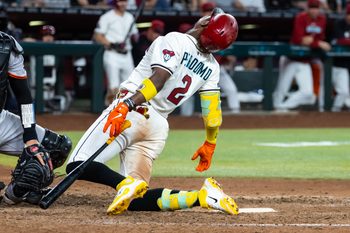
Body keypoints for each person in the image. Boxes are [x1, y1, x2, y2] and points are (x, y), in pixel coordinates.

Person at [66, 8, 238, 215]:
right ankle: (201, 196)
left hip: (133, 111)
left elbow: (158, 80)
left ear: (203, 24)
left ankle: (124, 184)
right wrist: (210, 142)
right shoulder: (212, 67)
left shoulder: (175, 39)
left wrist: (125, 105)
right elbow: (212, 115)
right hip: (157, 128)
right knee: (135, 200)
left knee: (76, 165)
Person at [0, 31, 72, 204]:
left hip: (1, 121)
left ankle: (17, 192)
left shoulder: (7, 46)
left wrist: (30, 138)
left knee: (56, 147)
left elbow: (24, 97)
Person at [273, 0, 330, 111]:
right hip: (291, 58)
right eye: (312, 8)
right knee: (282, 88)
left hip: (304, 61)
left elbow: (320, 38)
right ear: (307, 8)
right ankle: (272, 113)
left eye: (316, 8)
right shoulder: (301, 17)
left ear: (319, 9)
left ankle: (283, 107)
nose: (314, 10)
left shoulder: (322, 19)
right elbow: (299, 39)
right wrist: (317, 43)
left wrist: (312, 41)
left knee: (308, 92)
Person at [93, 0, 139, 106]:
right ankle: (110, 110)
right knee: (113, 86)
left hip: (127, 55)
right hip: (112, 54)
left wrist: (135, 37)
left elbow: (134, 34)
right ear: (115, 3)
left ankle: (126, 111)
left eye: (125, 1)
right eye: (120, 1)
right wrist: (112, 44)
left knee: (131, 86)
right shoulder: (107, 17)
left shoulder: (129, 17)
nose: (123, 4)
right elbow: (98, 36)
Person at [329, 3, 350, 111]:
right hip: (337, 64)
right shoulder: (339, 24)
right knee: (343, 92)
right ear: (346, 15)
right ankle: (334, 111)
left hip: (347, 65)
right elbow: (340, 41)